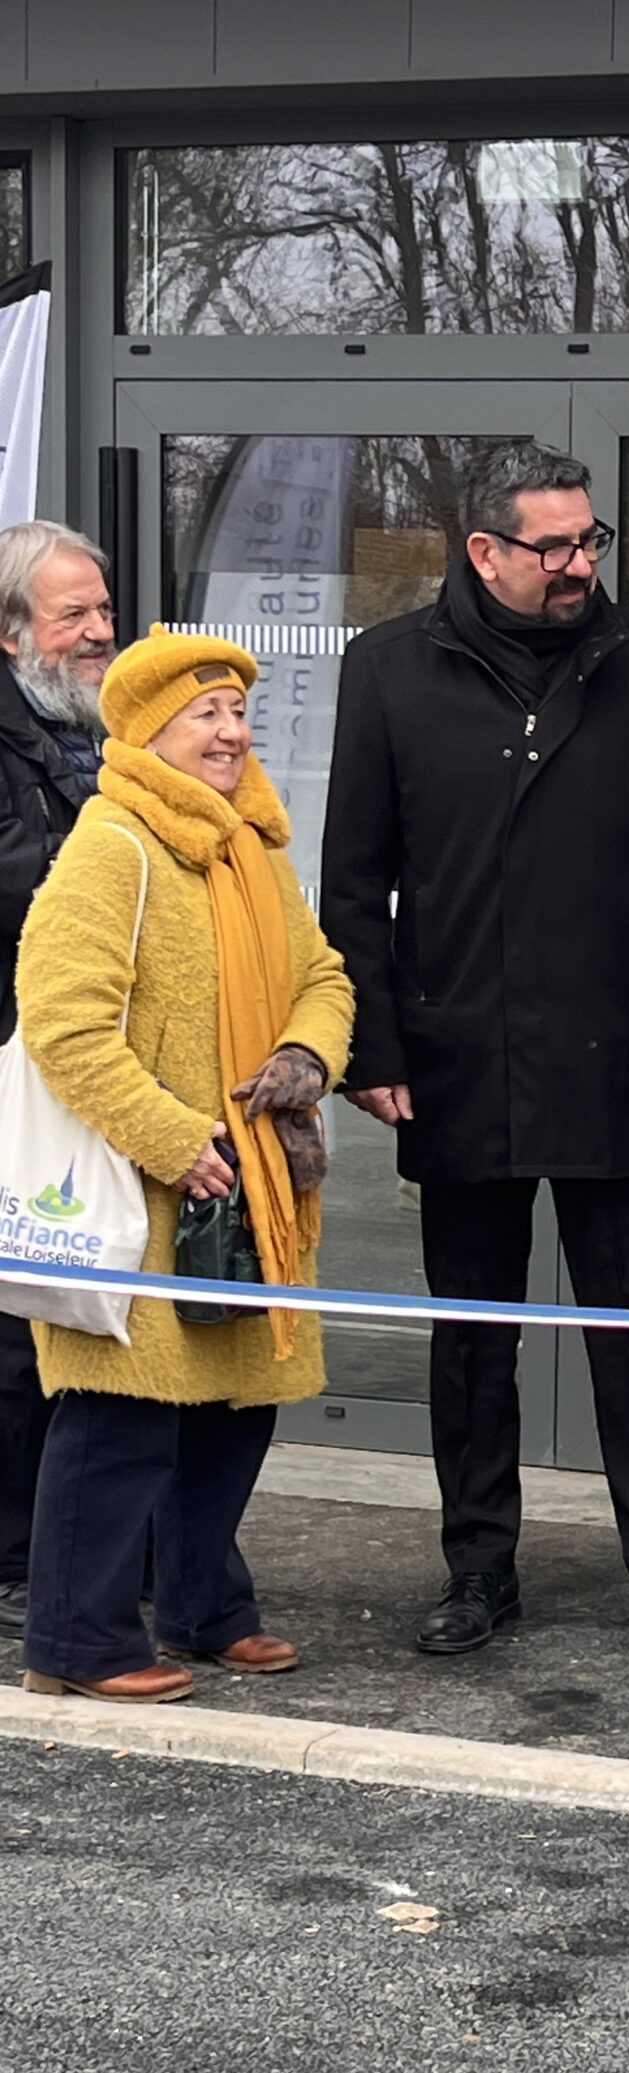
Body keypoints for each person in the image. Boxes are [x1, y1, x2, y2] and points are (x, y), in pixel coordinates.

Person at [320, 445, 629, 1666]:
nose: (578, 565)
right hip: (455, 1056)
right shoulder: (389, 668)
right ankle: (477, 1568)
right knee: (470, 1338)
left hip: (617, 1048)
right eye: (553, 546)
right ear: (483, 550)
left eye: (588, 540)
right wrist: (371, 1045)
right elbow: (355, 886)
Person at [14, 629, 353, 1702]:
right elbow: (61, 1023)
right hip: (149, 1186)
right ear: (147, 732)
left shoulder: (251, 849)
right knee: (121, 1415)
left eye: (238, 712)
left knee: (234, 1407)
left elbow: (323, 975)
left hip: (254, 1183)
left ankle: (206, 1607)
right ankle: (78, 1639)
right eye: (205, 714)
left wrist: (306, 1055)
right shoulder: (113, 845)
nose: (232, 732)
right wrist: (174, 1138)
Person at [0, 520, 116, 1635]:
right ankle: (16, 1557)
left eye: (102, 609)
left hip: (84, 1065)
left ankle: (68, 1545)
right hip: (11, 1061)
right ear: (11, 632)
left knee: (70, 1303)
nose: (97, 632)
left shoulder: (107, 730)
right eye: (72, 613)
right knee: (11, 1323)